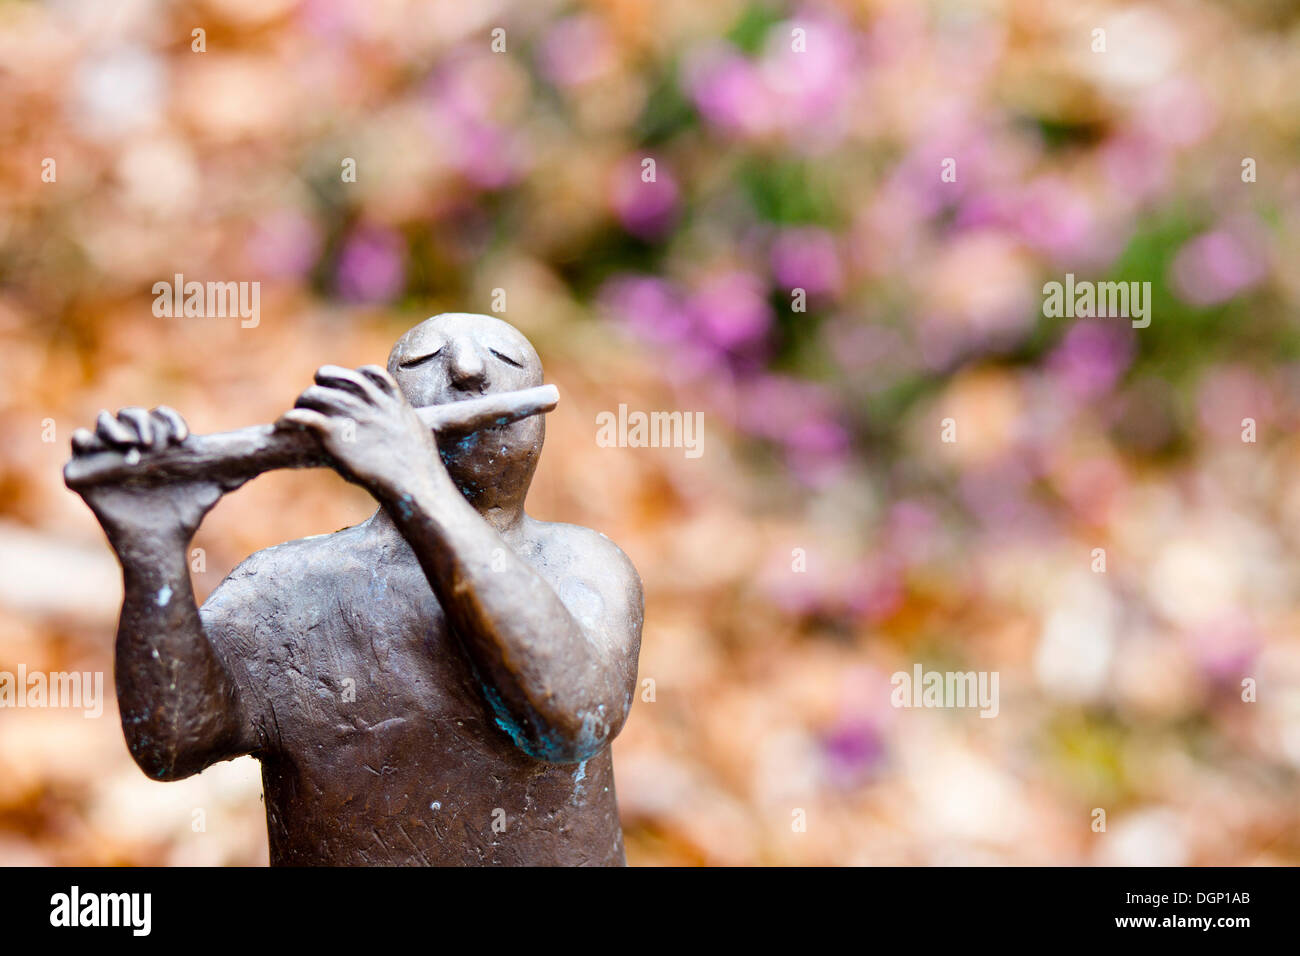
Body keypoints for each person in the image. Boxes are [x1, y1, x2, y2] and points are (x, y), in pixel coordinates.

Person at [73, 313, 644, 865]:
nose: (468, 369)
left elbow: (572, 718)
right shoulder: (283, 588)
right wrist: (154, 555)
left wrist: (415, 483)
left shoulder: (582, 563)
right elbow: (172, 743)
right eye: (426, 360)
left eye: (505, 356)